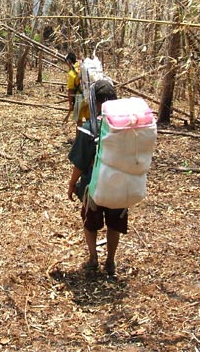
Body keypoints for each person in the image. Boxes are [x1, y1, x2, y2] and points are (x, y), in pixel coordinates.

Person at [67, 78, 124, 275]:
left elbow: (80, 163)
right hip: (120, 186)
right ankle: (110, 262)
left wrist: (72, 184)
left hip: (94, 185)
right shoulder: (125, 128)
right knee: (114, 223)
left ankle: (93, 258)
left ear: (94, 102)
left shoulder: (90, 127)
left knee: (90, 222)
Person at [64, 53, 89, 131]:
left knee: (79, 122)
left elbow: (70, 90)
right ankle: (90, 139)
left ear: (69, 61)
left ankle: (79, 141)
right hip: (89, 96)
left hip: (79, 98)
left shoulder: (72, 73)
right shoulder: (84, 67)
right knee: (89, 120)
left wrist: (70, 104)